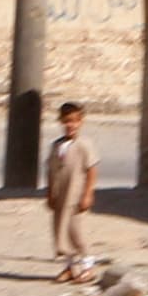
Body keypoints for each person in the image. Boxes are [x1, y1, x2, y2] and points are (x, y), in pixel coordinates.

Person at [48, 101, 100, 284]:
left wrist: (88, 193)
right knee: (62, 231)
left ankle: (88, 266)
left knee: (77, 231)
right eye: (67, 121)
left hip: (76, 196)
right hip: (61, 195)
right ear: (61, 122)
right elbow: (51, 170)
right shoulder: (57, 146)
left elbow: (92, 169)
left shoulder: (84, 145)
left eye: (74, 121)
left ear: (80, 122)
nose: (70, 125)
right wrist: (50, 194)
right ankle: (70, 267)